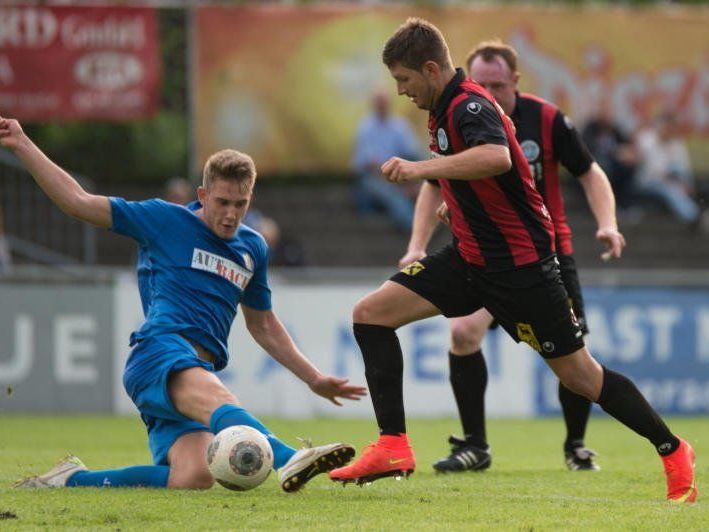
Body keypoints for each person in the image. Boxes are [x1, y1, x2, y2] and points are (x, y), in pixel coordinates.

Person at [328, 18, 697, 504]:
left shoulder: (468, 104)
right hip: (469, 259)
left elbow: (496, 157)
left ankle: (673, 449)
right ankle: (394, 445)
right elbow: (484, 177)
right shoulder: (441, 108)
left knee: (581, 377)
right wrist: (454, 205)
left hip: (521, 269)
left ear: (432, 69)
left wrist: (422, 168)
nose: (401, 91)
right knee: (370, 315)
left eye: (404, 80)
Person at [3, 115, 367, 492]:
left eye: (240, 205)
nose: (230, 214)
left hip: (199, 366)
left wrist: (314, 378)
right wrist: (23, 144)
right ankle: (290, 457)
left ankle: (72, 480)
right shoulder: (164, 219)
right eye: (222, 202)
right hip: (159, 351)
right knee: (220, 398)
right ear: (203, 195)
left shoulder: (253, 247)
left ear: (250, 200)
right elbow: (77, 202)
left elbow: (263, 324)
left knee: (193, 477)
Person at [394, 40, 624, 474]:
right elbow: (433, 186)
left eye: (498, 84)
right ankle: (475, 446)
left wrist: (608, 223)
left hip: (545, 254)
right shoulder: (459, 113)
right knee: (463, 333)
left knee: (576, 365)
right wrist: (416, 246)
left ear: (516, 81)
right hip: (485, 254)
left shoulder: (547, 119)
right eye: (481, 82)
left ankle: (575, 445)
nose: (489, 91)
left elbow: (590, 172)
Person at [352, 88, 422, 231]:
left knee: (421, 186)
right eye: (379, 102)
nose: (381, 105)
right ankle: (413, 226)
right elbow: (362, 164)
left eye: (384, 102)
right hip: (373, 178)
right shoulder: (365, 128)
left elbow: (413, 153)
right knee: (392, 193)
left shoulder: (400, 126)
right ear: (373, 104)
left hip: (398, 174)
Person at [634, 112, 704, 229]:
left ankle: (695, 206)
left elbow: (684, 167)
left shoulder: (676, 143)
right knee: (669, 189)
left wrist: (684, 183)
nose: (669, 130)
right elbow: (653, 171)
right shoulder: (646, 139)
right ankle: (694, 216)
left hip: (672, 180)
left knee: (679, 173)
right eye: (667, 126)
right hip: (648, 181)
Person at [581, 103, 638, 216]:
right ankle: (603, 207)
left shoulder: (615, 129)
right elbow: (588, 148)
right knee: (605, 168)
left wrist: (628, 152)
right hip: (593, 166)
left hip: (615, 165)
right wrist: (615, 152)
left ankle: (625, 205)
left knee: (628, 168)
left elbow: (626, 145)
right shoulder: (590, 128)